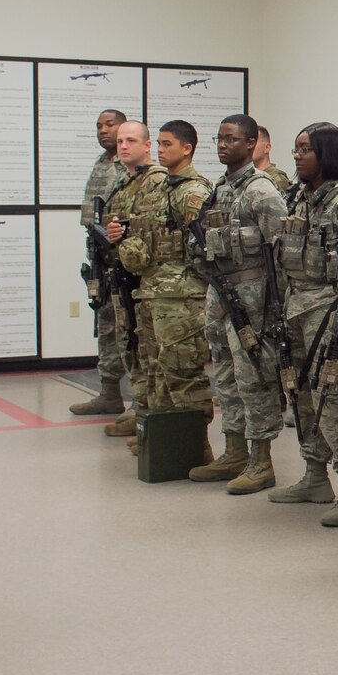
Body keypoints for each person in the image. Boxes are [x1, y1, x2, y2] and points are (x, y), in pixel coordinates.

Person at [267, 122, 338, 525]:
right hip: (297, 307)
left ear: (327, 153)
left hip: (329, 312)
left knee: (336, 399)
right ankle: (314, 475)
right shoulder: (300, 198)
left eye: (305, 149)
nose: (297, 157)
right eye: (295, 149)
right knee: (303, 396)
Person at [189, 114, 288, 494]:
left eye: (231, 139)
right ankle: (232, 450)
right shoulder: (222, 187)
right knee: (225, 375)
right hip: (220, 293)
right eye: (219, 138)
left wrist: (273, 305)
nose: (222, 144)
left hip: (252, 298)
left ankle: (261, 460)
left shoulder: (260, 190)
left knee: (253, 378)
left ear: (251, 144)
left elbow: (282, 249)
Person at [111, 121, 214, 458]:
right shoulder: (161, 189)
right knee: (157, 371)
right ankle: (164, 442)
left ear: (186, 148)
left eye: (167, 144)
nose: (160, 151)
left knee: (184, 373)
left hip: (182, 298)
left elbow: (207, 248)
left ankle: (195, 447)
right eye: (160, 145)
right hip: (154, 292)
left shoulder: (192, 191)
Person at [71, 108, 132, 416]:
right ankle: (108, 392)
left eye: (110, 124)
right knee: (105, 324)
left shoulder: (130, 167)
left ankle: (138, 400)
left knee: (127, 329)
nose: (103, 130)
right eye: (99, 126)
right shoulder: (100, 164)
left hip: (123, 259)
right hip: (100, 258)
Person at [99, 122, 158, 440]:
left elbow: (152, 230)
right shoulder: (122, 182)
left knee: (146, 346)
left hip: (145, 276)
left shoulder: (155, 182)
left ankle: (148, 411)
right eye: (120, 141)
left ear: (147, 145)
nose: (123, 146)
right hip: (122, 274)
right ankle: (138, 405)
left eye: (131, 140)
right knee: (128, 343)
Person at [251, 125, 291, 193]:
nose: (249, 146)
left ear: (267, 147)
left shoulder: (276, 178)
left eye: (253, 143)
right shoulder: (248, 176)